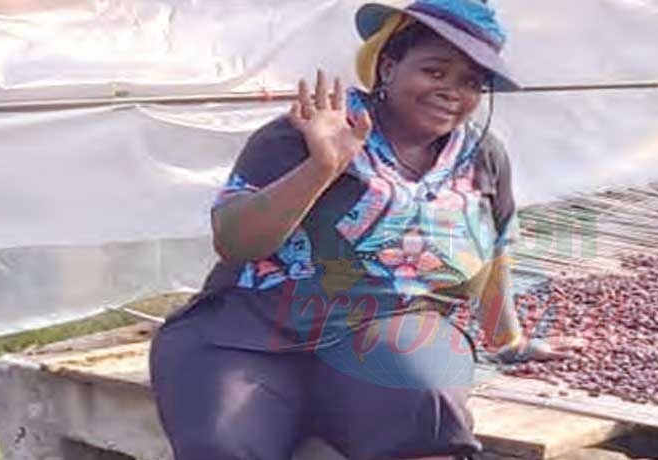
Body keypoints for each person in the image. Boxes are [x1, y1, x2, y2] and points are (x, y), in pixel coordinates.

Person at [149, 1, 571, 458]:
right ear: (388, 66)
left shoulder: (482, 156)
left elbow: (496, 251)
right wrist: (321, 167)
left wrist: (508, 340)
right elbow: (234, 243)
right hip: (253, 332)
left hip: (387, 331)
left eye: (471, 82)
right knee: (223, 441)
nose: (452, 90)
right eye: (435, 71)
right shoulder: (303, 134)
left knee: (424, 403)